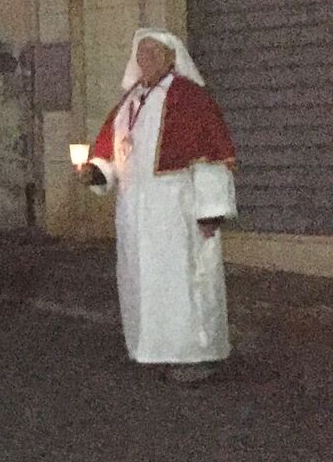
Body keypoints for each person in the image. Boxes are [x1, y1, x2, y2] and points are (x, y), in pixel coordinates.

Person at [78, 29, 238, 383]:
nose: (145, 60)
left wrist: (211, 210)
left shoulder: (189, 98)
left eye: (152, 53)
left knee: (182, 281)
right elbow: (112, 153)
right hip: (135, 212)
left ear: (170, 57)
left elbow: (211, 158)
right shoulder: (130, 102)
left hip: (176, 209)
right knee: (143, 281)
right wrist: (97, 172)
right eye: (140, 54)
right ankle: (151, 348)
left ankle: (193, 355)